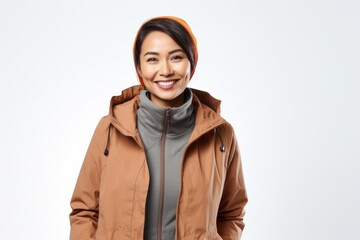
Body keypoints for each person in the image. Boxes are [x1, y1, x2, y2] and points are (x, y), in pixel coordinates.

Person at [69, 16, 248, 239]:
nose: (165, 70)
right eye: (152, 59)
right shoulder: (110, 129)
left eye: (176, 57)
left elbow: (232, 213)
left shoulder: (220, 135)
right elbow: (84, 210)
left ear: (192, 63)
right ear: (139, 68)